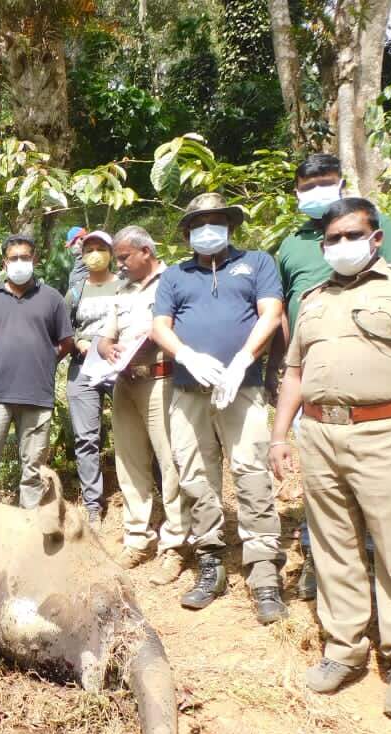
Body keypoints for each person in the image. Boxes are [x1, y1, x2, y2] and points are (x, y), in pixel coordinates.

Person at [269, 198, 391, 718]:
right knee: (334, 546)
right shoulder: (312, 297)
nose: (339, 246)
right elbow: (294, 372)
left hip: (385, 432)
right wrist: (280, 436)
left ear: (375, 238)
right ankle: (345, 648)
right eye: (330, 239)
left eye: (350, 235)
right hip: (319, 434)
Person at [273, 153, 391, 600]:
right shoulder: (292, 244)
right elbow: (283, 311)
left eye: (326, 183)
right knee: (322, 482)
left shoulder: (375, 225)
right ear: (296, 192)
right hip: (311, 377)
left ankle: (374, 560)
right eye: (308, 185)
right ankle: (321, 559)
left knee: (373, 484)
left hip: (372, 386)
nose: (317, 192)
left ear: (343, 183)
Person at [152, 193, 287, 625]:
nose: (208, 229)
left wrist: (245, 358)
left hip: (241, 389)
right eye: (199, 223)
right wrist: (185, 354)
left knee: (251, 474)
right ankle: (211, 562)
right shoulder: (175, 276)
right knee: (195, 477)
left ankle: (264, 571)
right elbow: (159, 325)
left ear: (230, 225)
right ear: (188, 232)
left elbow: (272, 312)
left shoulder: (257, 263)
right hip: (189, 392)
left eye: (216, 220)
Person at [97, 226, 188, 580]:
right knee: (129, 462)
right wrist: (109, 348)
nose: (119, 265)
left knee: (170, 462)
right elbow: (105, 339)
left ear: (146, 252)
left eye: (124, 258)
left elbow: (173, 329)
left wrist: (146, 343)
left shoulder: (174, 280)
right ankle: (137, 539)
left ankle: (175, 545)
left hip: (160, 379)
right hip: (124, 382)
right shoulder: (122, 290)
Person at [0, 234, 74, 510]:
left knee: (33, 468)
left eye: (25, 257)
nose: (19, 263)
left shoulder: (52, 299)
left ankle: (29, 528)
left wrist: (47, 360)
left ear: (35, 259)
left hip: (37, 397)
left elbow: (65, 342)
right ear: (4, 262)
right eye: (13, 258)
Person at [65, 229, 121, 521]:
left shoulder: (125, 286)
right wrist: (79, 342)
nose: (95, 254)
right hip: (82, 369)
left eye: (101, 248)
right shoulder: (76, 291)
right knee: (86, 438)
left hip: (120, 367)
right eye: (89, 249)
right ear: (82, 254)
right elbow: (63, 330)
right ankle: (92, 506)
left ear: (112, 253)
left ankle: (149, 495)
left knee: (131, 433)